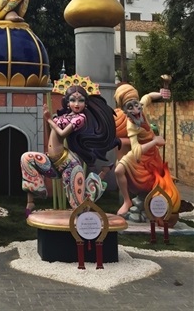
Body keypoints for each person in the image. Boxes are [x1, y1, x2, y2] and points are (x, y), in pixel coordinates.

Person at [21, 78, 119, 215]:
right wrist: (48, 121)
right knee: (26, 158)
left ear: (85, 103)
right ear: (67, 102)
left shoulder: (80, 118)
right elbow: (51, 133)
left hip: (68, 163)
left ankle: (101, 176)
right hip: (52, 160)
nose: (77, 104)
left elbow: (62, 133)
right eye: (73, 100)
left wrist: (49, 119)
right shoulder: (62, 117)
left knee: (79, 206)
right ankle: (33, 198)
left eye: (81, 100)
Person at [114, 83, 180, 217]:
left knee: (155, 181)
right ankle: (127, 201)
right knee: (118, 170)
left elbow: (148, 96)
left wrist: (161, 94)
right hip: (141, 152)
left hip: (152, 154)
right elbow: (137, 150)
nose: (135, 110)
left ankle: (153, 205)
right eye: (129, 107)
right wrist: (155, 141)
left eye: (136, 104)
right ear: (124, 111)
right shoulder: (131, 125)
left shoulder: (141, 106)